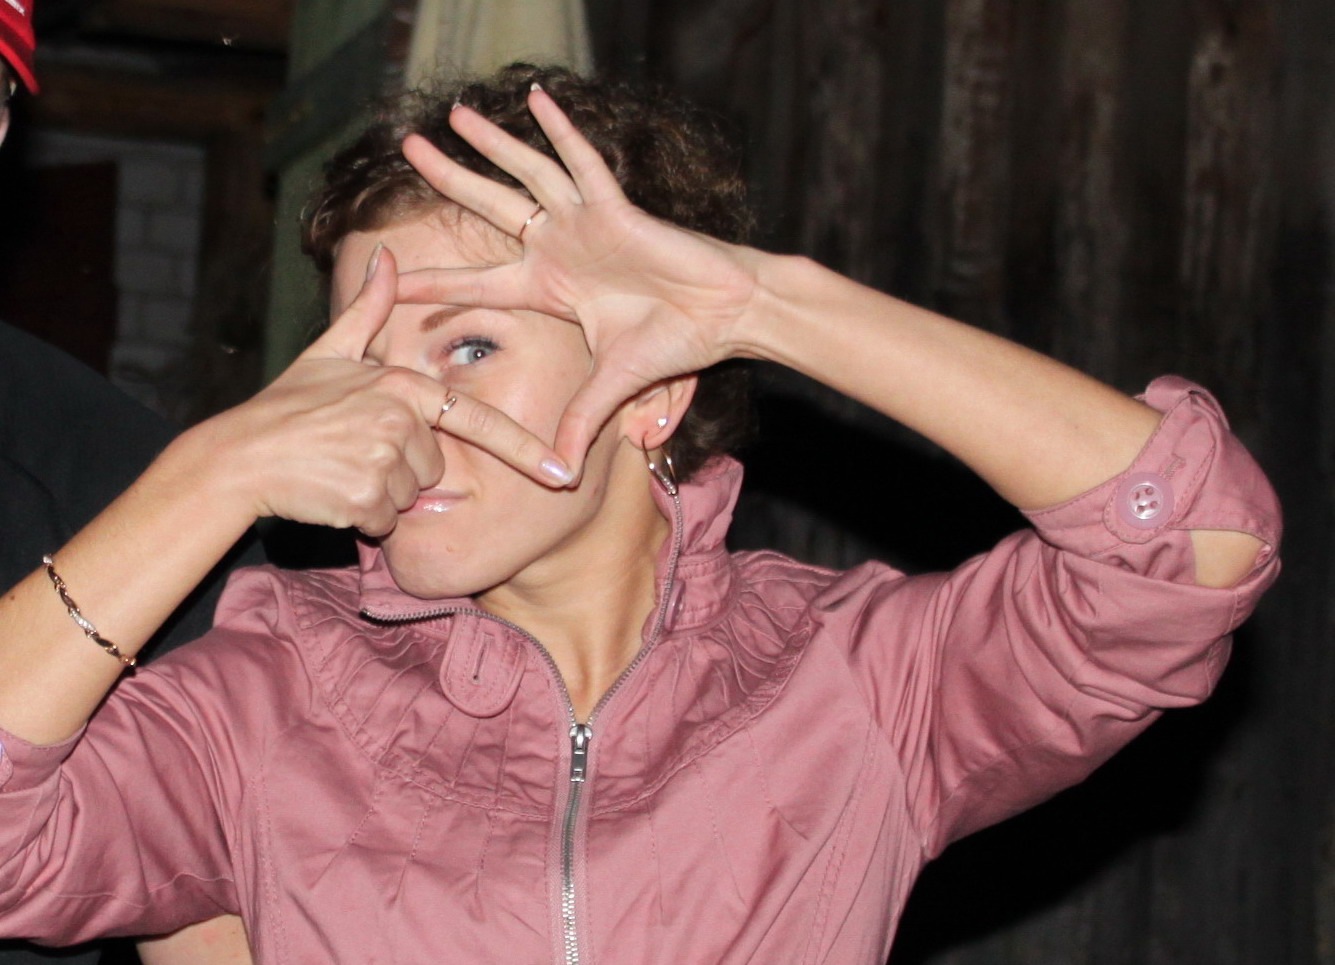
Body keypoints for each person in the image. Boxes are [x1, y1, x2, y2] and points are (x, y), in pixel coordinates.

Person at [0, 63, 1279, 963]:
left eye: (469, 346)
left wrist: (763, 305)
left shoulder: (849, 679)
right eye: (364, 359)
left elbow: (1192, 544)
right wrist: (210, 475)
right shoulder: (265, 689)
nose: (402, 409)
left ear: (654, 389)